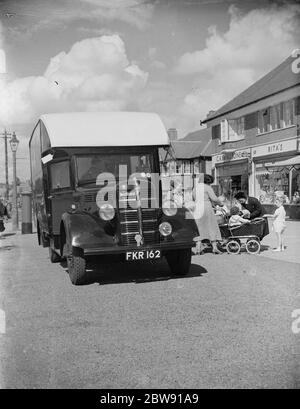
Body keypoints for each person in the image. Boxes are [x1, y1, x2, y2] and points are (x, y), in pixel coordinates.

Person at [192, 174, 223, 254]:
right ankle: (215, 248)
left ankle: (198, 248)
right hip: (206, 207)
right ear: (208, 181)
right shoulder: (207, 187)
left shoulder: (195, 188)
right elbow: (214, 198)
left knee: (199, 227)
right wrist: (220, 203)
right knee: (211, 226)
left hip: (197, 208)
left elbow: (194, 198)